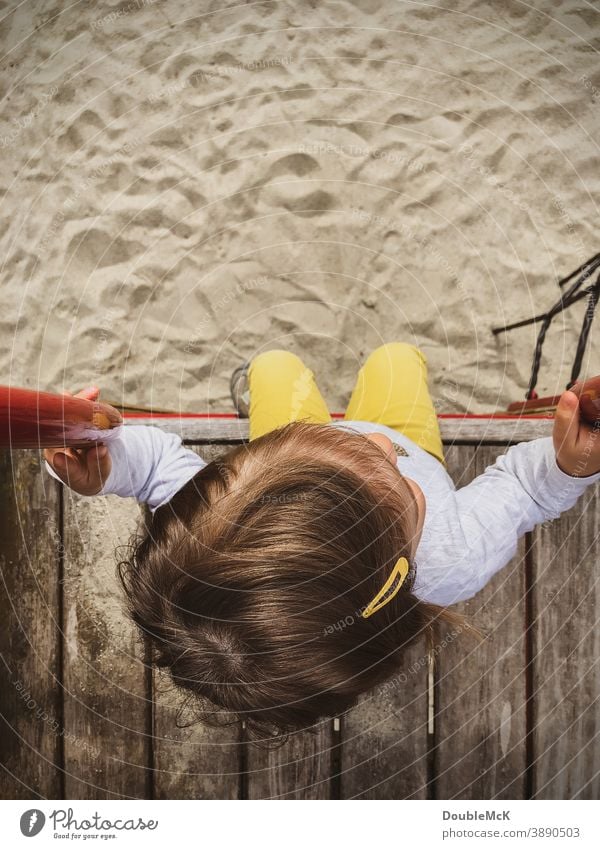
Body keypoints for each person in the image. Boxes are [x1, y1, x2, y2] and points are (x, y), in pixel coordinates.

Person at [44, 343, 600, 737]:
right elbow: (525, 489)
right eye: (403, 491)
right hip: (381, 441)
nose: (382, 449)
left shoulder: (225, 506)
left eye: (364, 455)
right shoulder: (452, 555)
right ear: (398, 571)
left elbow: (155, 466)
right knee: (397, 360)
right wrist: (567, 469)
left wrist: (107, 464)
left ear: (242, 471)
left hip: (283, 445)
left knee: (274, 365)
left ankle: (270, 397)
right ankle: (372, 371)